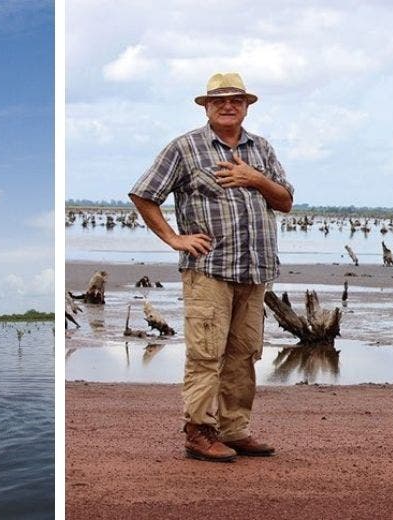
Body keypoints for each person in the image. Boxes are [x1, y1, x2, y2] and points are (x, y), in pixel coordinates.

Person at [129, 72, 294, 462]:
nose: (228, 105)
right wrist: (174, 238)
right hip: (209, 270)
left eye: (236, 99)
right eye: (218, 100)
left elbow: (285, 201)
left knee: (244, 353)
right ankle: (199, 432)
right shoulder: (185, 148)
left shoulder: (262, 150)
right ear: (206, 106)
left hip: (254, 271)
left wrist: (256, 179)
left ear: (247, 105)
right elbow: (143, 194)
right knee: (206, 354)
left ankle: (234, 430)